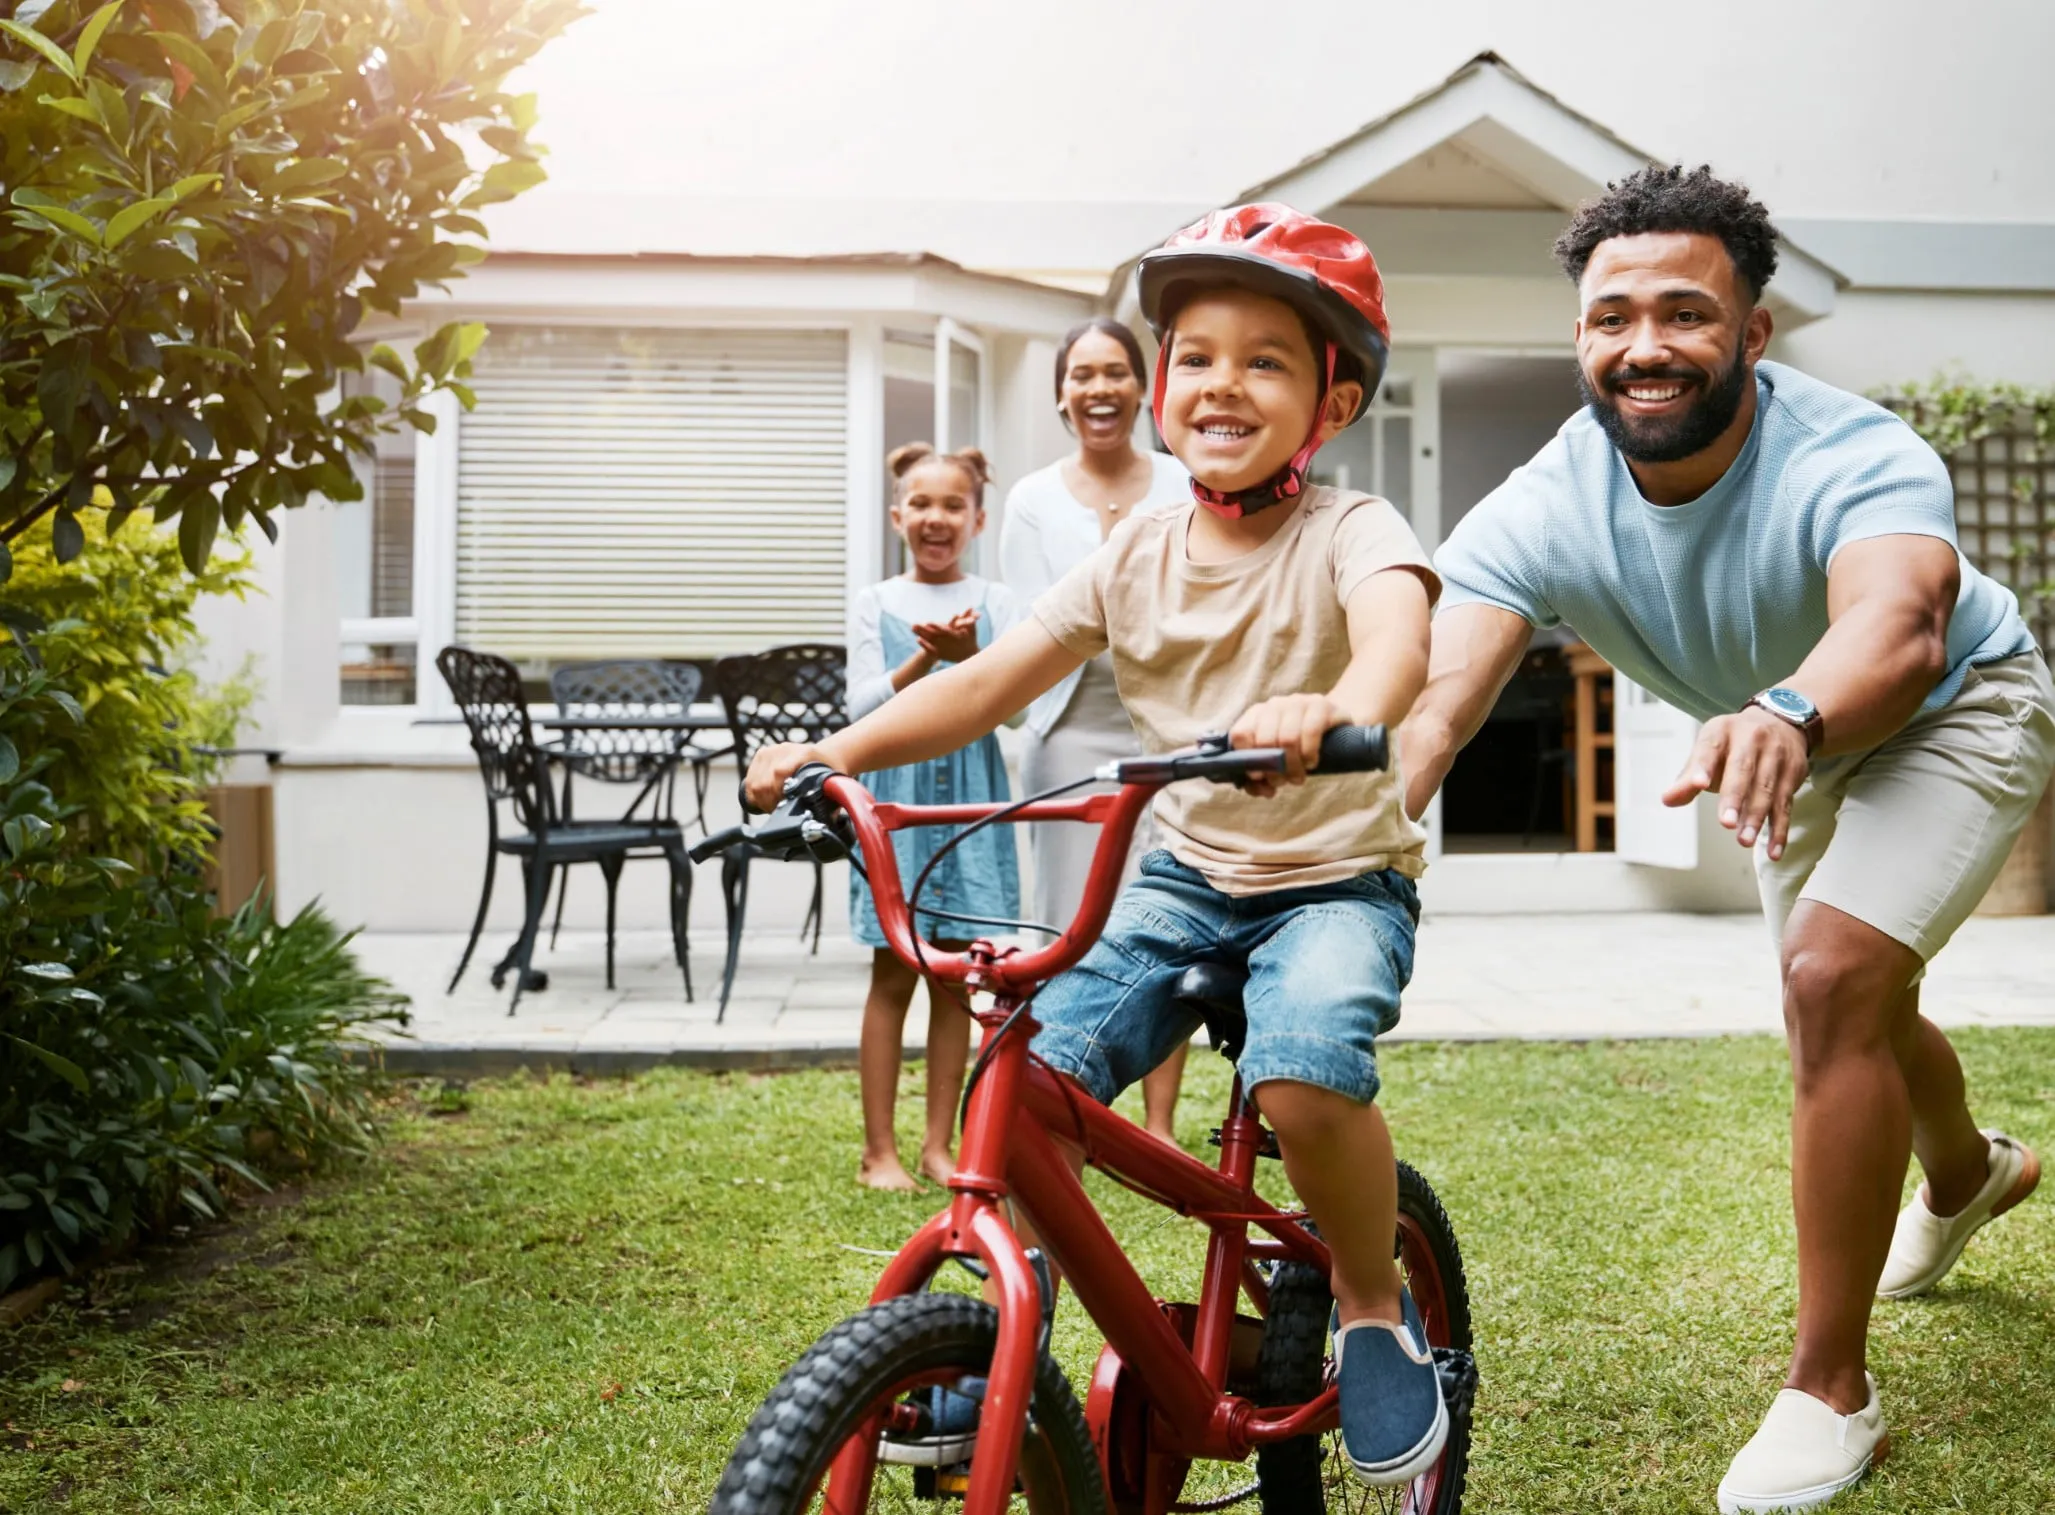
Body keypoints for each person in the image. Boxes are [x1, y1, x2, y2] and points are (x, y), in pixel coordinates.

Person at [752, 204, 1451, 1487]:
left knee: (1301, 1075)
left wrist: (1334, 710)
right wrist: (833, 751)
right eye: (1197, 356)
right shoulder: (1136, 555)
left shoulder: (1353, 530)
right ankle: (997, 1350)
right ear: (1164, 385)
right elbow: (987, 684)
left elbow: (1399, 643)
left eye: (1266, 361)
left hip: (1333, 881)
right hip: (1185, 879)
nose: (1222, 383)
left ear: (1334, 403)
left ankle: (1367, 1301)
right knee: (1030, 1081)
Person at [1400, 166, 2051, 1514]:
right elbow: (1439, 695)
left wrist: (1787, 709)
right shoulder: (1546, 500)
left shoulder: (1851, 451)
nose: (1643, 345)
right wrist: (1368, 805)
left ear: (1751, 332)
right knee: (1851, 1001)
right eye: (1611, 317)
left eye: (1684, 314)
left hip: (1948, 707)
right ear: (1580, 335)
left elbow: (1899, 624)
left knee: (1829, 979)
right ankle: (1966, 1168)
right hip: (1781, 735)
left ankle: (1830, 1390)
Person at [999, 317, 1194, 1144]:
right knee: (1065, 925)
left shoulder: (1185, 480)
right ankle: (1063, 1109)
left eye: (1114, 371)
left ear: (1142, 387)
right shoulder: (1032, 500)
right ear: (1061, 394)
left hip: (1171, 734)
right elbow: (1030, 627)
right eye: (1081, 374)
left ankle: (1157, 1124)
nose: (1098, 388)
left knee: (1169, 915)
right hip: (1068, 732)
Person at [843, 443, 1024, 1191]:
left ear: (977, 519)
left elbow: (1017, 712)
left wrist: (973, 654)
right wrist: (925, 660)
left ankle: (937, 1147)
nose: (935, 517)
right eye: (920, 504)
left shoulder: (998, 602)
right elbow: (857, 709)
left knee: (958, 980)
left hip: (968, 807)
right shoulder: (875, 600)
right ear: (897, 517)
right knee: (893, 974)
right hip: (899, 805)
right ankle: (878, 1151)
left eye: (953, 504)